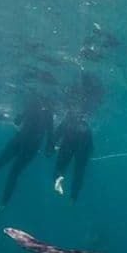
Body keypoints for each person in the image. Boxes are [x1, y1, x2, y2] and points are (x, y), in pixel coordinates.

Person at [0, 94, 54, 214]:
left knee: (1, 160)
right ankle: (3, 203)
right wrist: (49, 150)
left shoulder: (31, 108)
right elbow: (50, 134)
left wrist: (18, 120)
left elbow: (17, 121)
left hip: (18, 140)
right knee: (13, 173)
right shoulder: (47, 114)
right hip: (31, 147)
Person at [49, 71, 102, 202]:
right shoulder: (90, 105)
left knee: (60, 166)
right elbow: (90, 140)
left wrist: (52, 146)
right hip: (84, 136)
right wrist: (90, 150)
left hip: (69, 135)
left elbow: (59, 131)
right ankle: (73, 197)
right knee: (79, 170)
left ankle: (59, 178)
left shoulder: (68, 114)